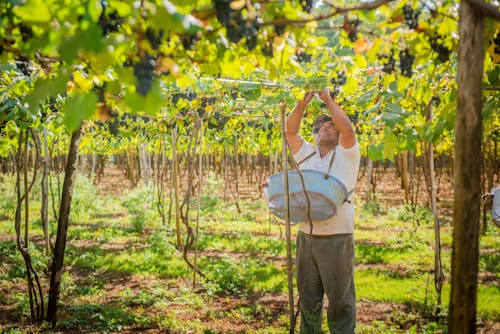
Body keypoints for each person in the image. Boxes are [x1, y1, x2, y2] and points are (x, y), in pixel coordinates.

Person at [285, 89, 360, 333]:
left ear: (339, 134)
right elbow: (290, 131)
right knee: (308, 299)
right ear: (315, 135)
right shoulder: (307, 155)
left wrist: (328, 100)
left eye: (331, 124)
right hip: (306, 237)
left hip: (336, 238)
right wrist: (302, 102)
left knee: (340, 301)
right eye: (321, 126)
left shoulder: (347, 155)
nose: (326, 127)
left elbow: (348, 129)